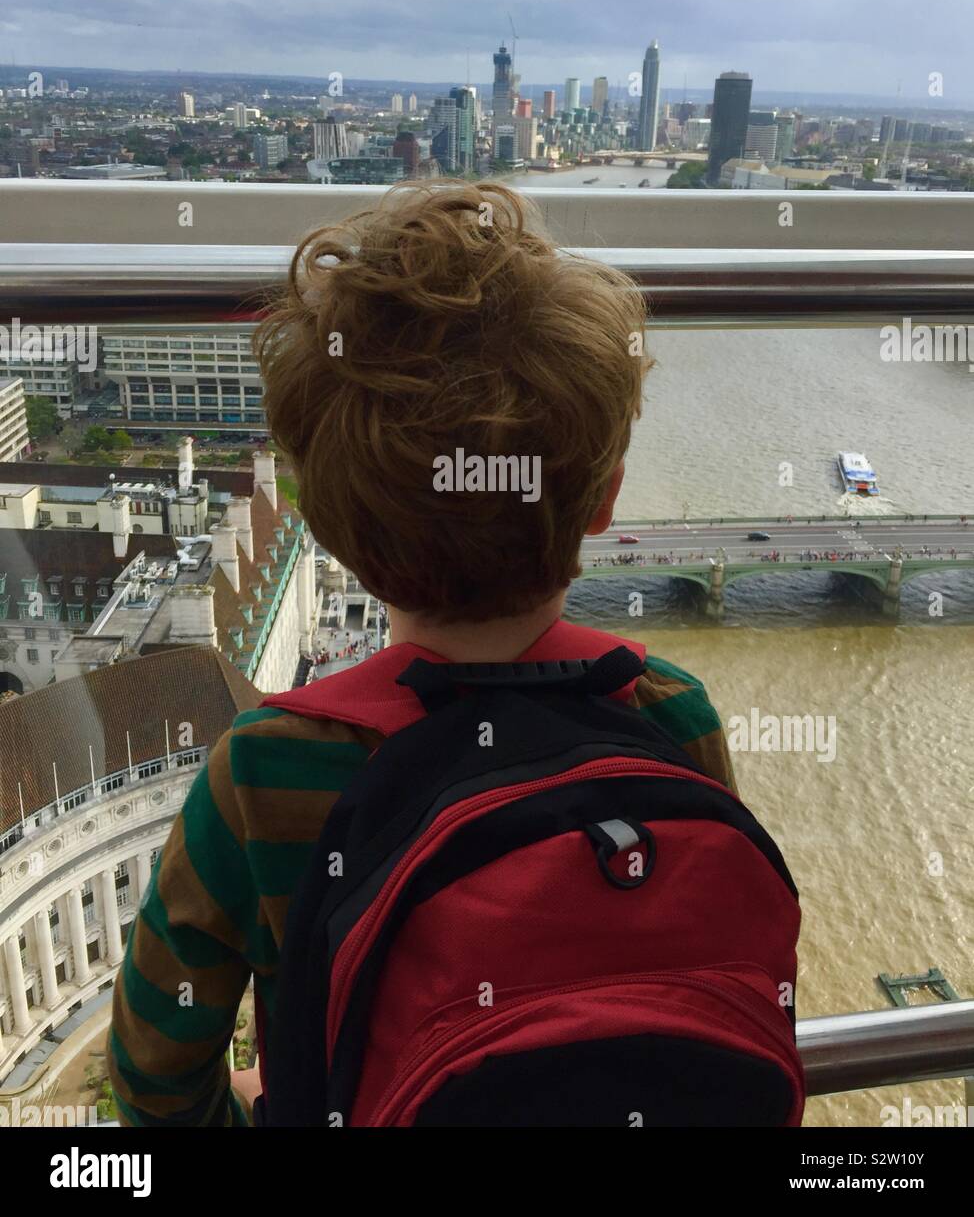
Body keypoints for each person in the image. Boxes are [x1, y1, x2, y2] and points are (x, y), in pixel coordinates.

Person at [107, 179, 738, 1127]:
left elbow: (154, 1076)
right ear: (604, 500)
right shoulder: (670, 712)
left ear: (325, 525)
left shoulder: (266, 767)